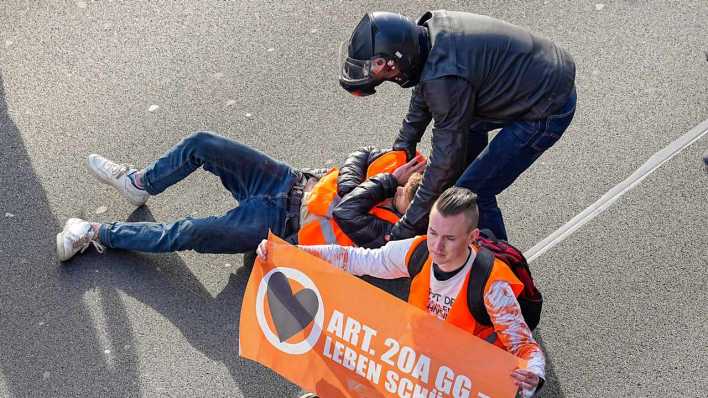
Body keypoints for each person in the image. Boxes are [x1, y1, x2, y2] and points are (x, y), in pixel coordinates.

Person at [258, 187, 545, 397]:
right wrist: (292, 253)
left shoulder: (491, 285)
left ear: (472, 238)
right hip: (419, 355)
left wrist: (533, 375)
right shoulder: (419, 250)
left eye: (449, 238)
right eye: (433, 232)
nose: (437, 246)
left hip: (459, 375)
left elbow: (525, 348)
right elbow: (358, 259)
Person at [339, 10, 577, 241]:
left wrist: (406, 227)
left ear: (396, 58)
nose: (375, 72)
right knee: (452, 179)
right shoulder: (429, 36)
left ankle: (501, 265)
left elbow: (445, 158)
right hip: (536, 75)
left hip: (546, 108)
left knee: (469, 194)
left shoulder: (445, 80)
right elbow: (424, 88)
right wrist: (404, 145)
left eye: (377, 65)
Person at [56, 131, 424, 261]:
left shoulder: (397, 236)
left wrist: (387, 182)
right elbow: (358, 157)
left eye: (423, 195)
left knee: (187, 232)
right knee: (203, 143)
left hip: (277, 228)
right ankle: (140, 183)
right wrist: (376, 178)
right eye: (421, 180)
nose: (417, 184)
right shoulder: (399, 163)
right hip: (284, 180)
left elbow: (346, 209)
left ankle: (94, 232)